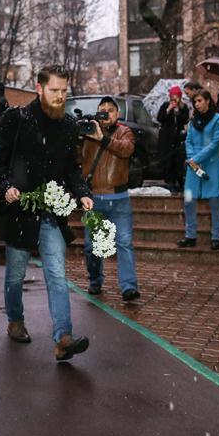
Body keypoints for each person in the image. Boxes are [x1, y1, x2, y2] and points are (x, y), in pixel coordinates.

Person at [0, 65, 95, 362]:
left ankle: (62, 337)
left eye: (64, 91)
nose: (60, 96)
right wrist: (5, 186)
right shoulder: (16, 119)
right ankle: (15, 319)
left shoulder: (69, 126)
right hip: (20, 210)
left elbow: (72, 168)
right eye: (54, 90)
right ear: (39, 88)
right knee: (16, 275)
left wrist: (83, 192)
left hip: (51, 211)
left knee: (57, 275)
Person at [79, 96, 140, 301]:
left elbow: (126, 149)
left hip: (119, 197)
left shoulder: (125, 132)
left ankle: (129, 287)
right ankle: (95, 280)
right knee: (91, 247)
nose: (106, 113)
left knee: (124, 243)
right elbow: (75, 158)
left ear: (117, 114)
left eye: (110, 110)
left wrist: (102, 138)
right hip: (94, 198)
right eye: (102, 110)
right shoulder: (88, 132)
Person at [177, 89, 219, 250]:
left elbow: (214, 144)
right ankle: (190, 236)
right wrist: (191, 159)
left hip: (210, 164)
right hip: (193, 166)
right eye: (195, 101)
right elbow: (188, 140)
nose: (196, 104)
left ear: (208, 101)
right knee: (189, 201)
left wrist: (195, 159)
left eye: (199, 101)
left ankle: (216, 237)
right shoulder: (193, 121)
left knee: (214, 201)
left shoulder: (218, 119)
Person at [157, 85, 190, 193]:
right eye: (172, 96)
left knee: (178, 161)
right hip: (166, 139)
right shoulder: (166, 105)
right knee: (168, 161)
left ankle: (178, 181)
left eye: (176, 96)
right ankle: (170, 182)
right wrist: (169, 109)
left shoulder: (183, 107)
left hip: (177, 139)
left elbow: (185, 120)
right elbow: (160, 118)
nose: (174, 98)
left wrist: (178, 112)